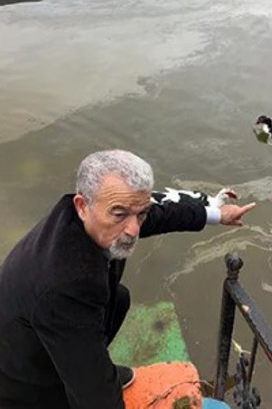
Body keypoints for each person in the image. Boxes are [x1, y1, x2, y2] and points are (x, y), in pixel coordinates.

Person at [0, 149, 256, 408]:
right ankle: (81, 375)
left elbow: (158, 213)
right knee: (89, 386)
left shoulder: (95, 212)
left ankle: (92, 365)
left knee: (119, 298)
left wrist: (217, 215)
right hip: (24, 386)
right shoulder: (66, 285)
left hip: (38, 331)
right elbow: (100, 401)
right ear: (82, 206)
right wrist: (97, 385)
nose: (133, 229)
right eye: (120, 214)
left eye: (140, 214)